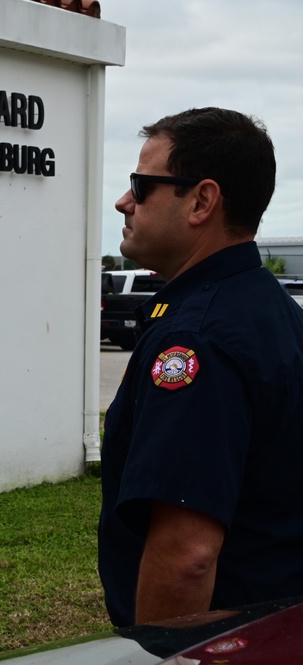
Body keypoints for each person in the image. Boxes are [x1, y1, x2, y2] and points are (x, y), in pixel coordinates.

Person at [98, 107, 303, 628]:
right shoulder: (272, 312)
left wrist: (159, 655)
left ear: (202, 201)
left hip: (228, 643)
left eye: (141, 186)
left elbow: (187, 556)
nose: (123, 202)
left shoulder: (196, 341)